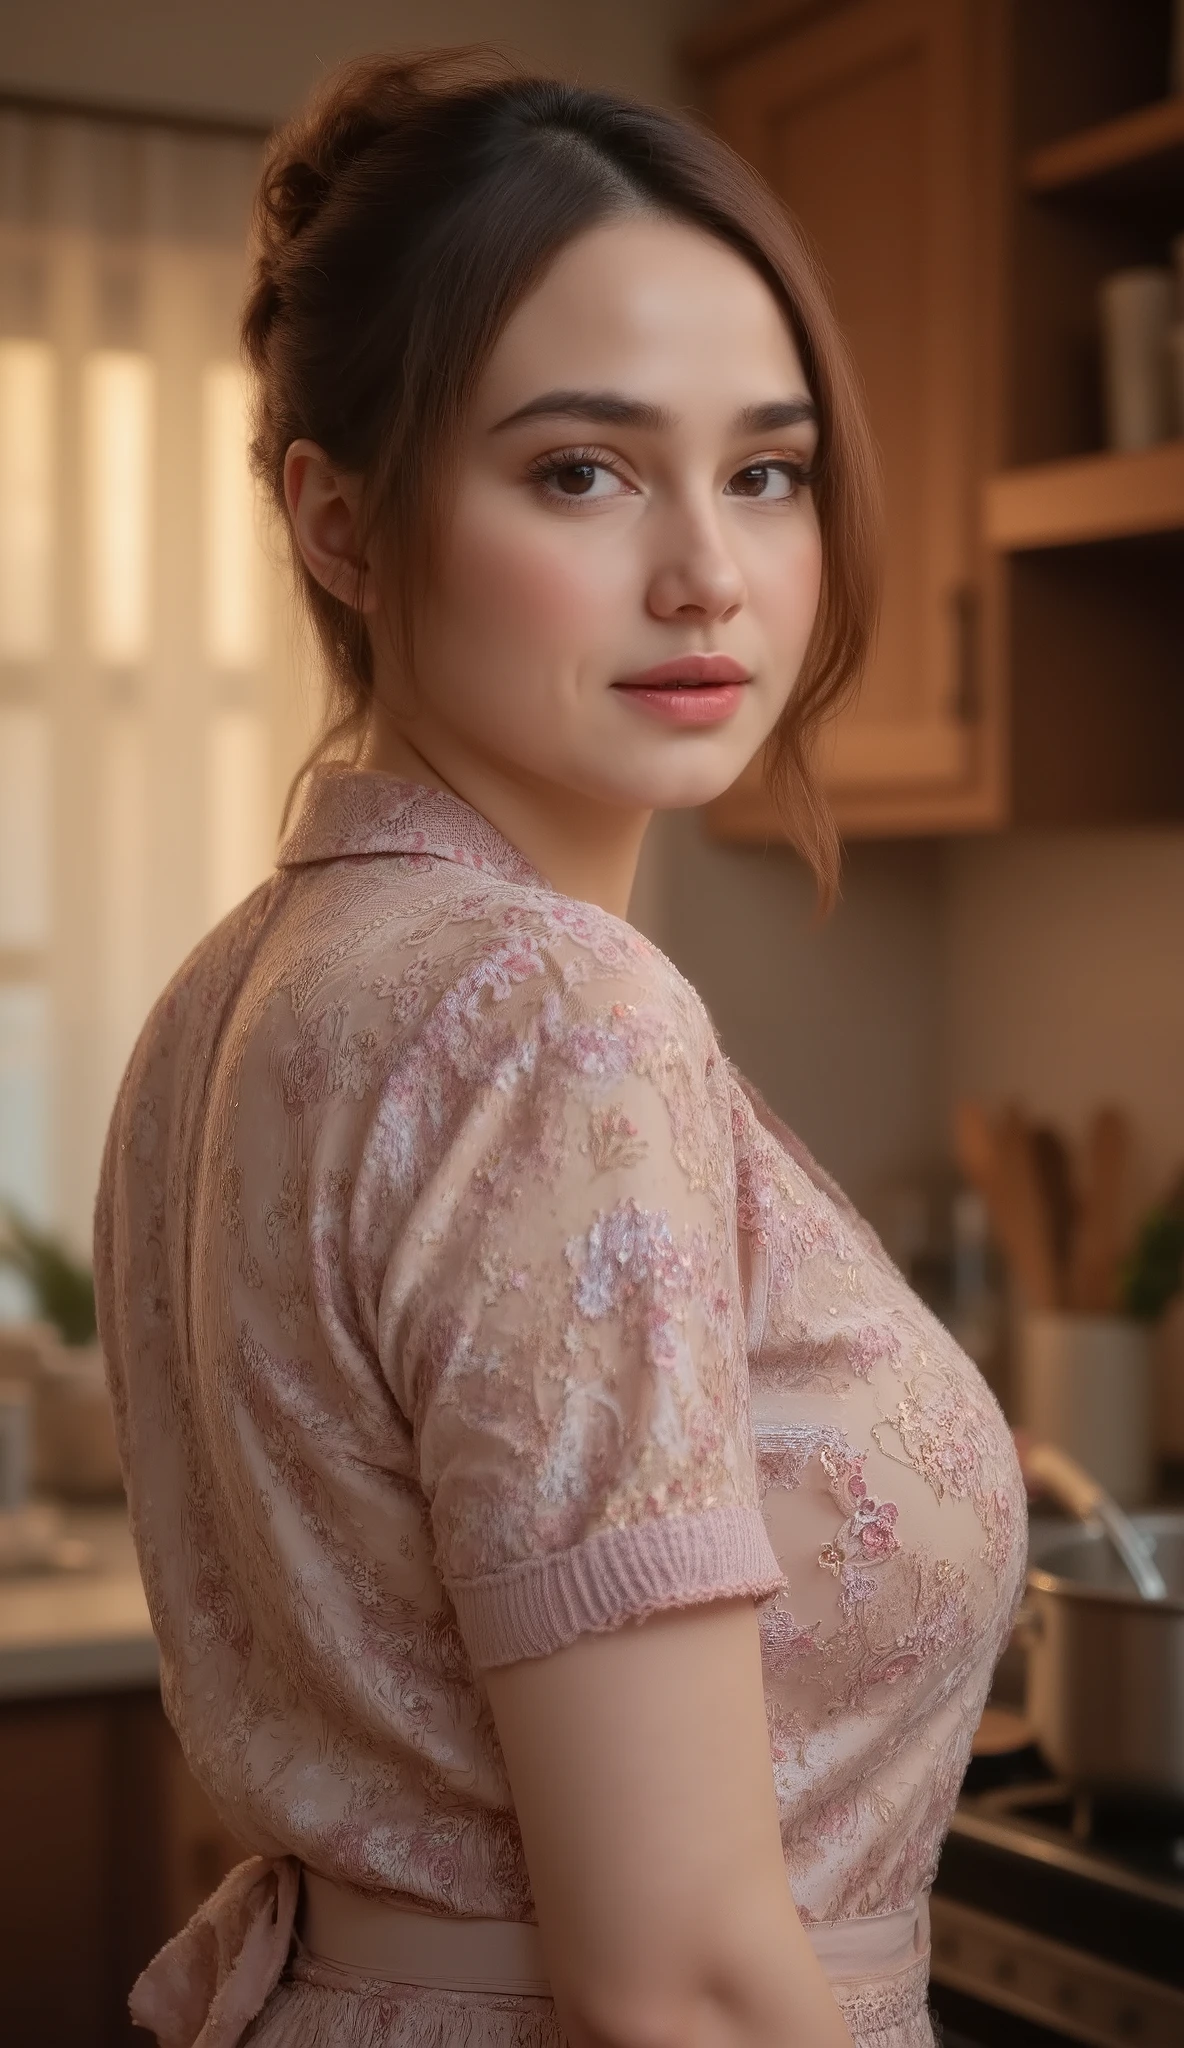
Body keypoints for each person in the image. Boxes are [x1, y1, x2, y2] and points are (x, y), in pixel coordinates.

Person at [93, 47, 1028, 2048]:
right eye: (581, 470)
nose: (708, 572)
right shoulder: (550, 1011)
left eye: (764, 470)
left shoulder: (234, 990)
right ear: (339, 524)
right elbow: (676, 1973)